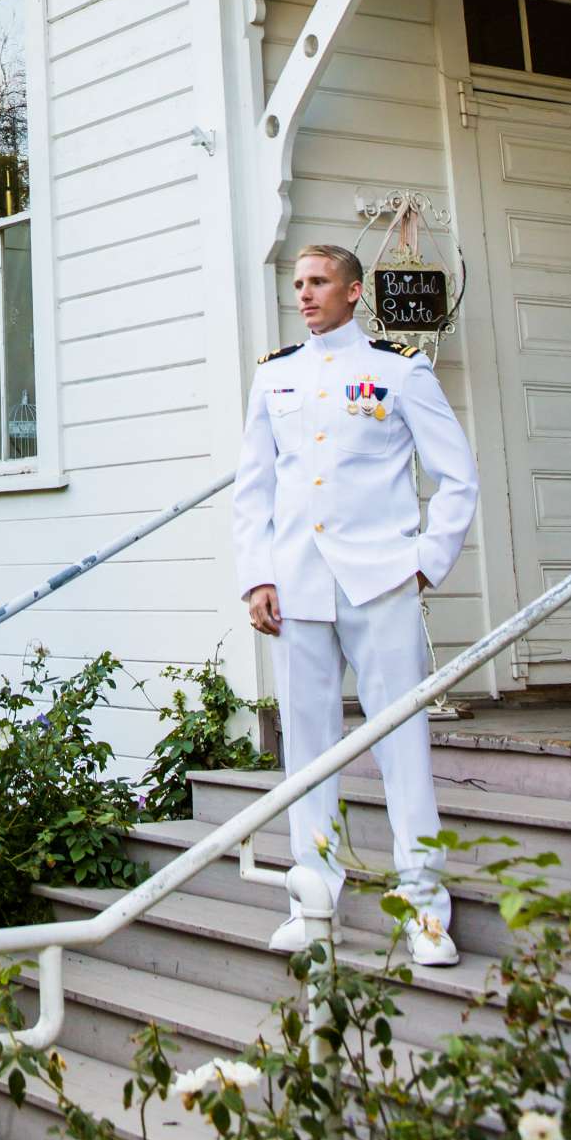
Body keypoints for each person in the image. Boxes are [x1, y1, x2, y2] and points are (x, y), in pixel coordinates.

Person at [232, 244, 479, 965]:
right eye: (299, 284)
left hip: (380, 581)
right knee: (307, 753)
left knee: (403, 745)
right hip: (298, 587)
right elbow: (254, 490)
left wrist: (426, 562)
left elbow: (456, 476)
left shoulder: (398, 369)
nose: (304, 295)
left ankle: (426, 910)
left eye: (318, 283)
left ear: (352, 290)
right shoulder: (275, 377)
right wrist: (258, 577)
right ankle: (312, 901)